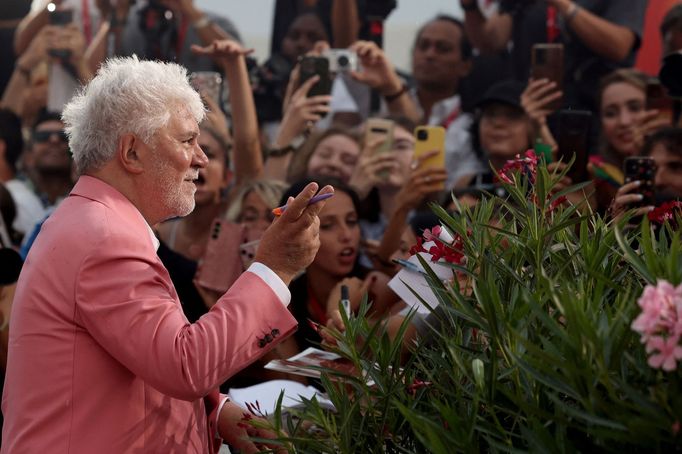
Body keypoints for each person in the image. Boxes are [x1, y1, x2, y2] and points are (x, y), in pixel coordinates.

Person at [1, 55, 333, 453]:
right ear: (132, 153)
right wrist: (275, 268)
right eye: (187, 140)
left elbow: (142, 360)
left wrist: (217, 411)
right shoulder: (103, 236)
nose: (202, 159)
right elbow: (182, 364)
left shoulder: (97, 225)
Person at [460, 0, 648, 111]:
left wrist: (563, 5)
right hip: (531, 110)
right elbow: (491, 43)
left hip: (590, 112)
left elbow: (619, 46)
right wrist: (469, 6)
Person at [409, 15, 484, 189]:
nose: (429, 54)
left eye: (443, 49)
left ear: (465, 66)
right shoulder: (383, 104)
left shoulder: (474, 127)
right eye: (423, 46)